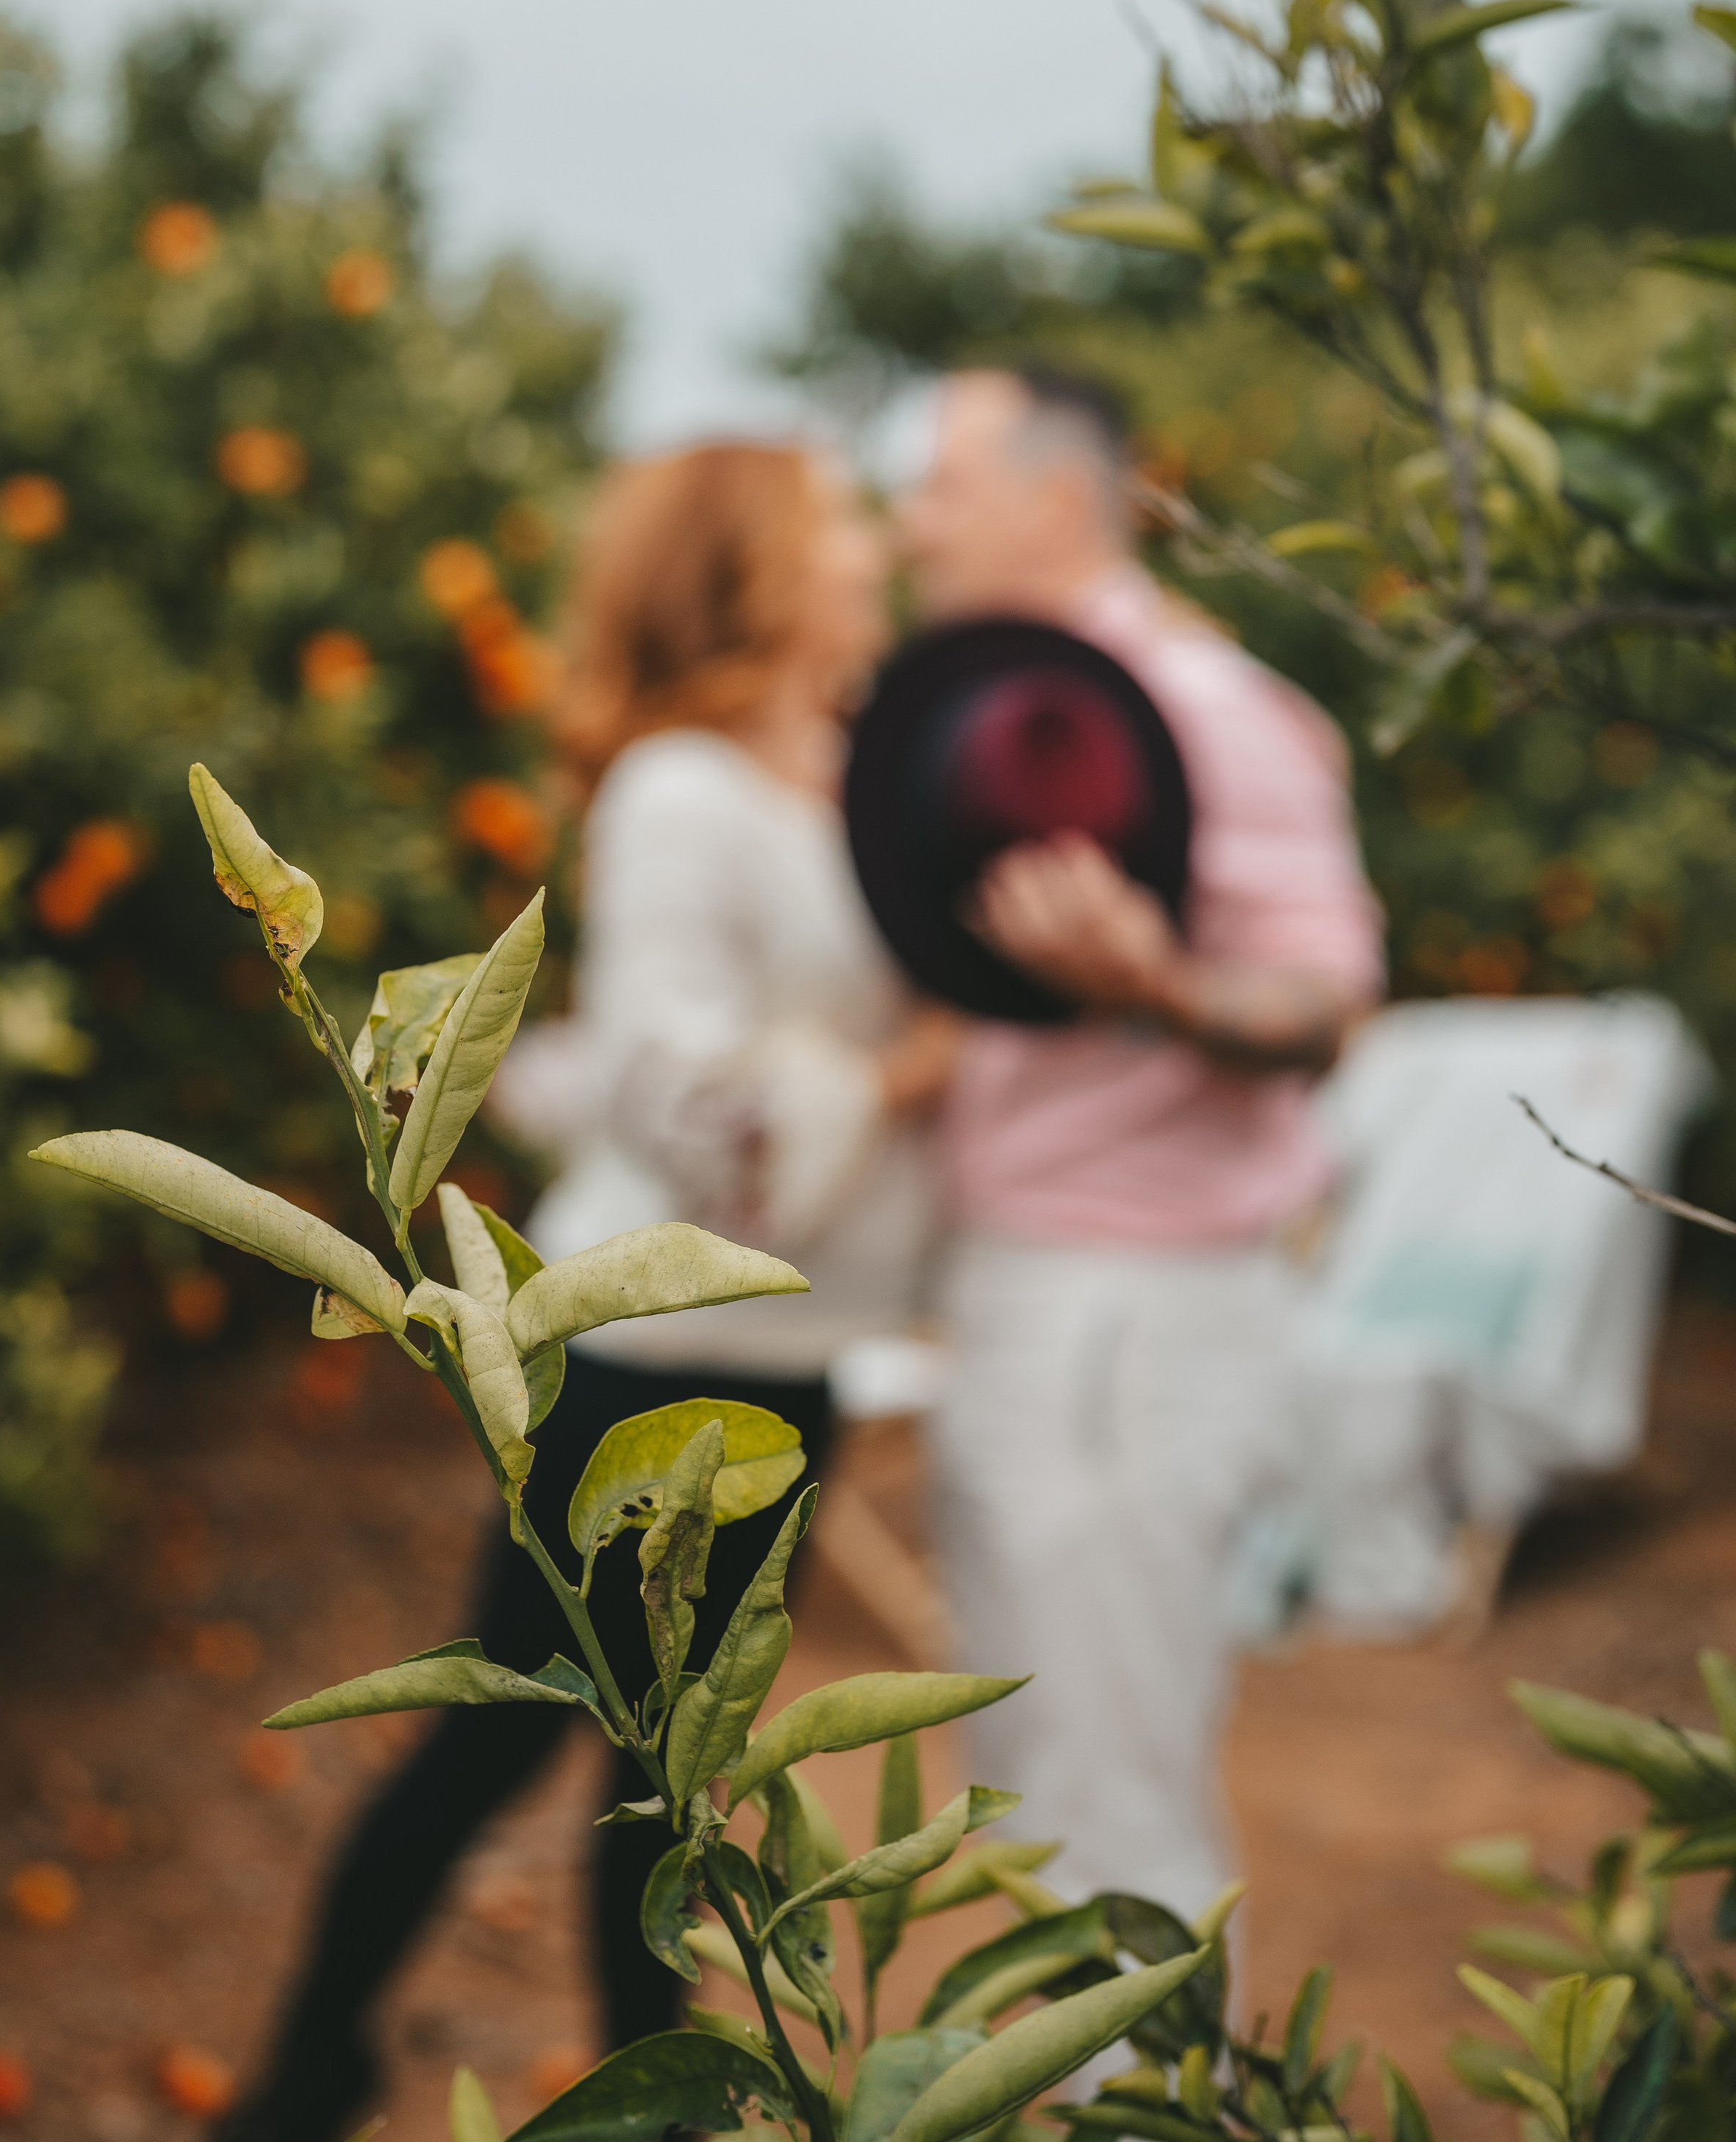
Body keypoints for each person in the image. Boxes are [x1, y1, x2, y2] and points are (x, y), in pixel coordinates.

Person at [222, 440, 951, 2142]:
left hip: (792, 1348)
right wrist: (909, 1076)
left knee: (660, 1777)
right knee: (528, 1739)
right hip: (646, 1351)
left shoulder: (840, 772)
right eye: (839, 521)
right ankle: (308, 2073)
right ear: (757, 564)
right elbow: (688, 1106)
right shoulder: (679, 790)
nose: (868, 549)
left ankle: (569, 2096)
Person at [897, 363, 1384, 1926]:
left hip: (1129, 1316)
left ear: (1052, 496)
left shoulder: (1198, 708)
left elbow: (1323, 1001)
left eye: (939, 486)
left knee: (1108, 1815)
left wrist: (1150, 986)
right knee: (1042, 1793)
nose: (909, 525)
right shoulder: (1016, 703)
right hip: (1037, 1300)